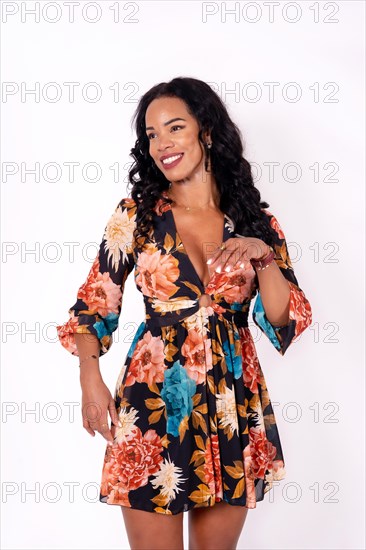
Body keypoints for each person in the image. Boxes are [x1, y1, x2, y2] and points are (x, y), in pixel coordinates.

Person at [57, 76, 312, 550]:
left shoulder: (256, 222)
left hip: (231, 403)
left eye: (175, 128)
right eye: (152, 134)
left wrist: (264, 257)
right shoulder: (136, 215)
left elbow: (283, 318)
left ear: (207, 131)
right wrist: (88, 380)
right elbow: (93, 304)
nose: (162, 144)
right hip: (155, 401)